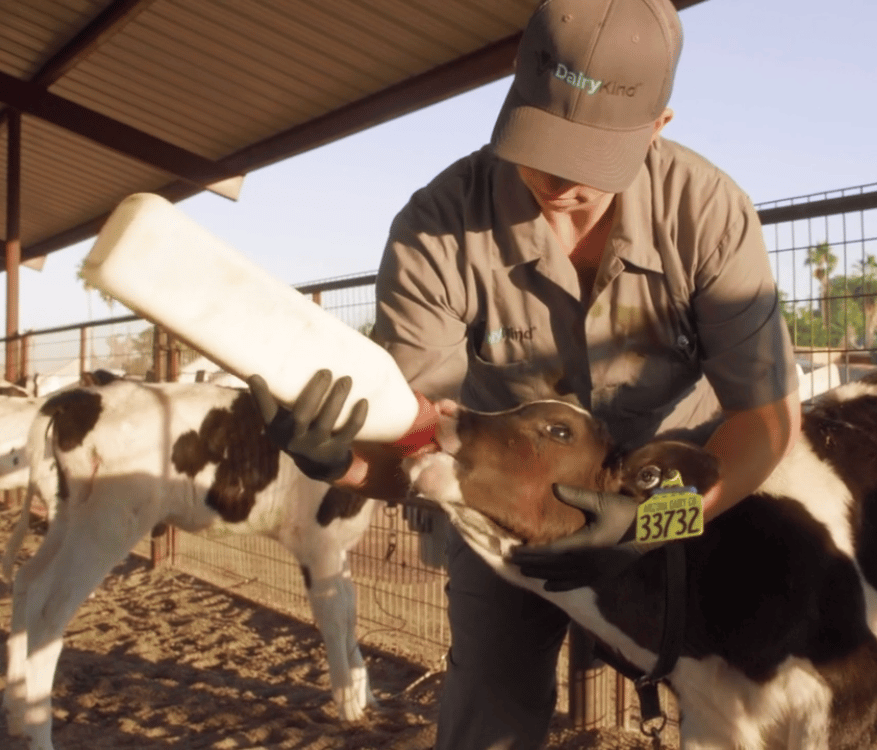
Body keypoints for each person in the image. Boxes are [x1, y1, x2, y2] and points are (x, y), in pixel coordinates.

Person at [249, 0, 802, 747]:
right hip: (508, 506)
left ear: (658, 128)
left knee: (747, 697)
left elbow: (768, 424)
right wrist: (343, 460)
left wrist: (653, 520)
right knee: (490, 704)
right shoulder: (436, 229)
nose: (562, 180)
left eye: (595, 155)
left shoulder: (708, 213)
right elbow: (420, 447)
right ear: (512, 94)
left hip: (677, 489)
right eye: (543, 140)